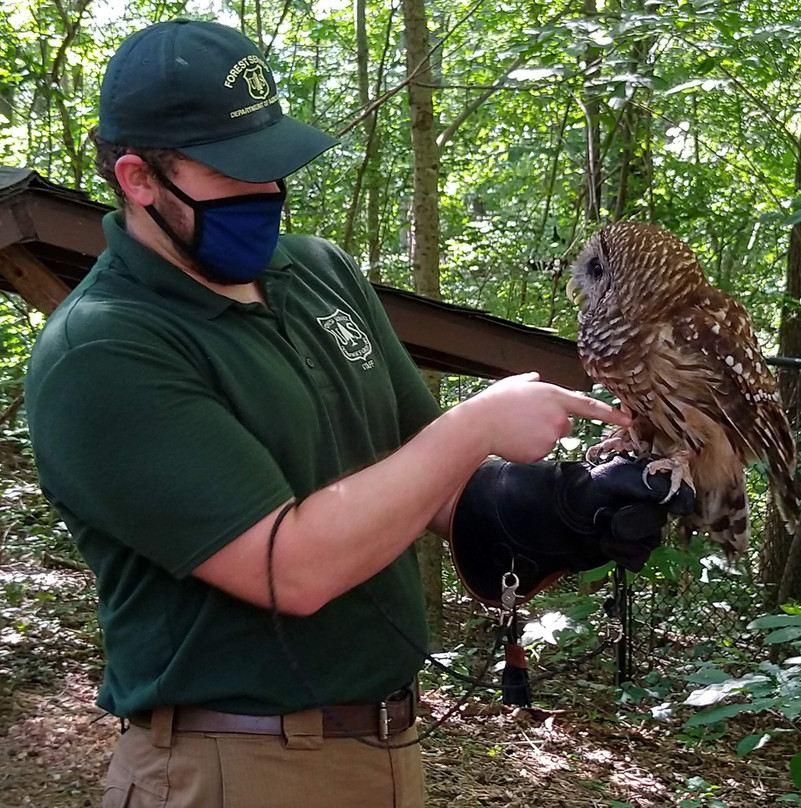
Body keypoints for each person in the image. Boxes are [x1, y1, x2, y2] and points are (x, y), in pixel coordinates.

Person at [23, 18, 691, 808]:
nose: (266, 193)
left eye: (274, 164)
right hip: (229, 763)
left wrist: (562, 504)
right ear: (138, 179)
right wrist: (477, 421)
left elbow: (428, 475)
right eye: (235, 172)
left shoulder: (316, 271)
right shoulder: (104, 350)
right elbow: (291, 568)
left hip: (388, 744)